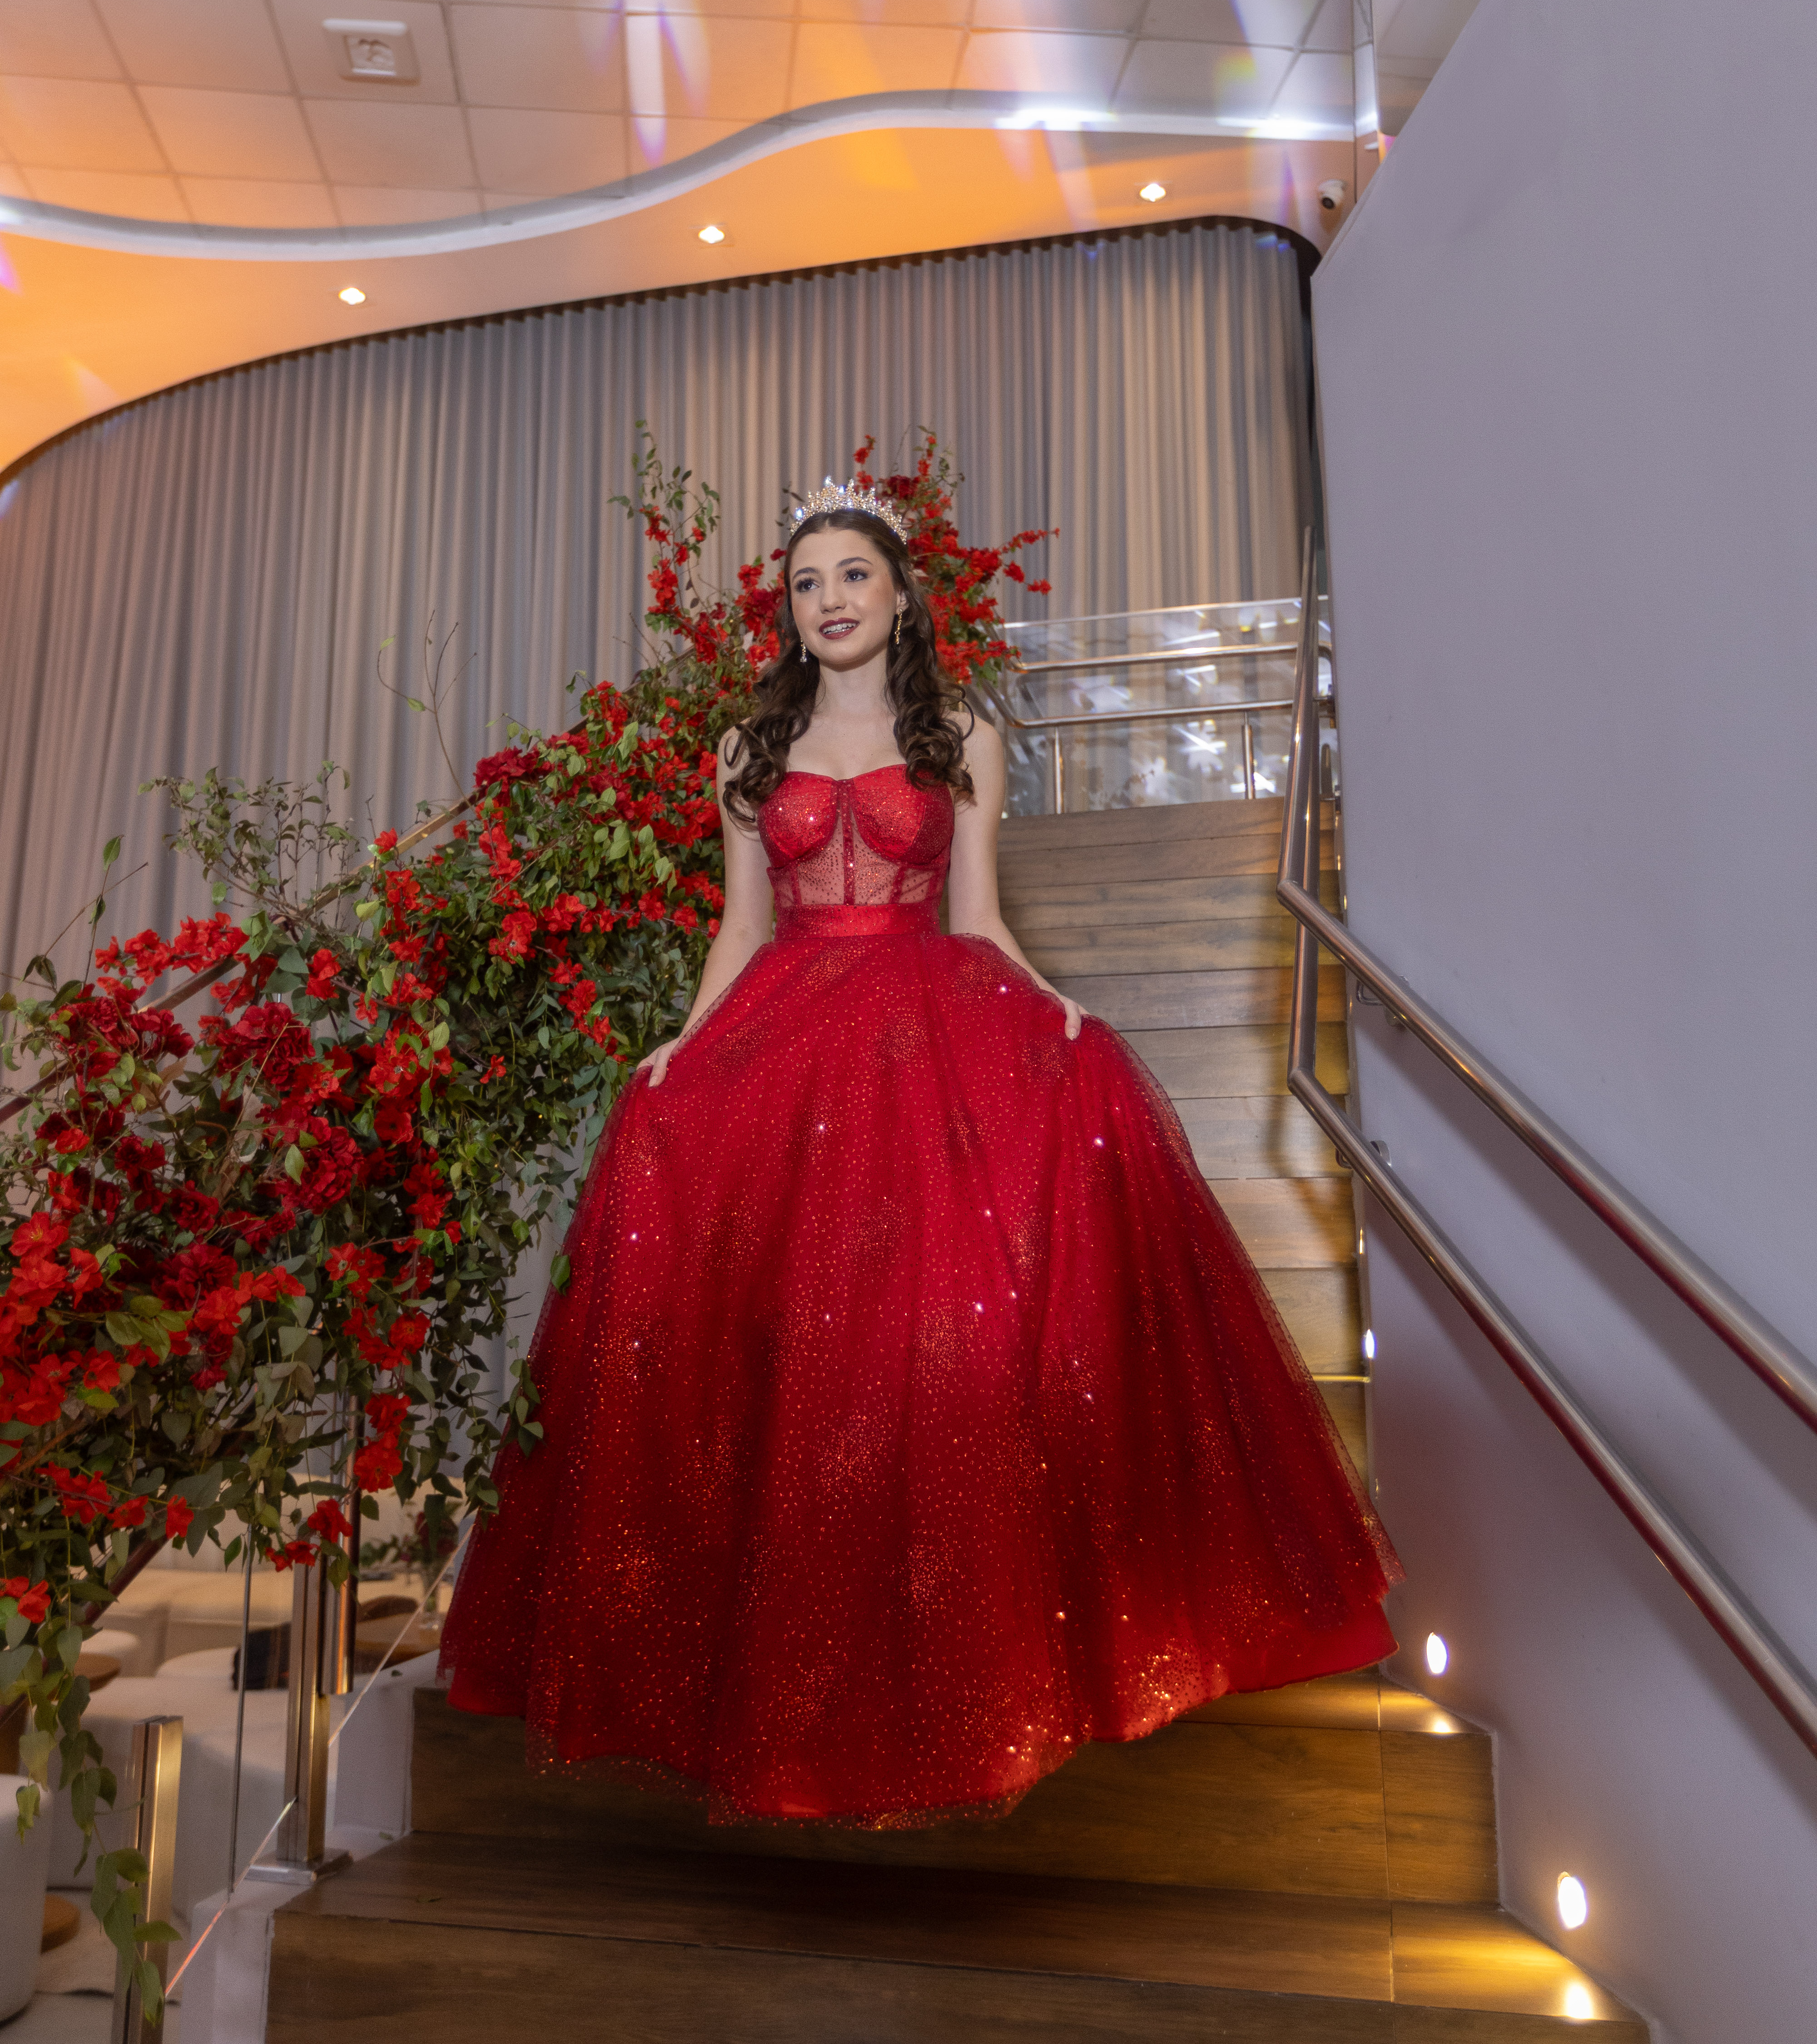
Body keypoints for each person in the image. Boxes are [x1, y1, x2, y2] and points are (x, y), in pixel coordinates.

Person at [439, 482, 1399, 1823]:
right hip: (786, 1037)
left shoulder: (962, 736)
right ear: (790, 612)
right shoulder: (747, 750)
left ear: (900, 595)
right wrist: (684, 1046)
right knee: (786, 1360)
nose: (828, 599)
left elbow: (979, 917)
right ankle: (783, 1695)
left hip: (930, 1029)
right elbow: (741, 928)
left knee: (931, 1349)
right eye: (806, 583)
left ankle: (957, 1675)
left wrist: (1054, 1005)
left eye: (852, 574)